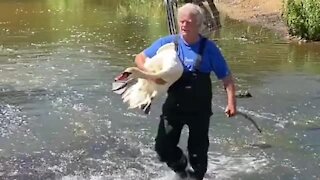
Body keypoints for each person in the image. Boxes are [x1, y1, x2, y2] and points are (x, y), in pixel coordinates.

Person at [134, 3, 236, 180]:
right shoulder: (168, 43)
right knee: (162, 148)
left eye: (188, 22)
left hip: (200, 111)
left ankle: (196, 176)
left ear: (198, 25)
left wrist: (231, 103)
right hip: (174, 106)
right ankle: (181, 169)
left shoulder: (209, 49)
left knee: (198, 155)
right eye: (181, 21)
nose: (183, 25)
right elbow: (140, 57)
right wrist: (149, 73)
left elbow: (226, 78)